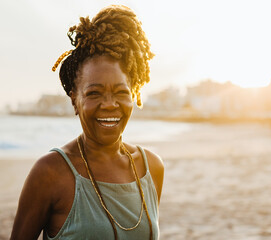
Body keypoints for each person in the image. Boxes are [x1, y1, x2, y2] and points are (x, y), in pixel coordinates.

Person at [10, 5, 164, 240]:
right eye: (94, 93)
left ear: (133, 94)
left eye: (121, 92)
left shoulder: (151, 167)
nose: (110, 104)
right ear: (74, 100)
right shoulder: (50, 173)